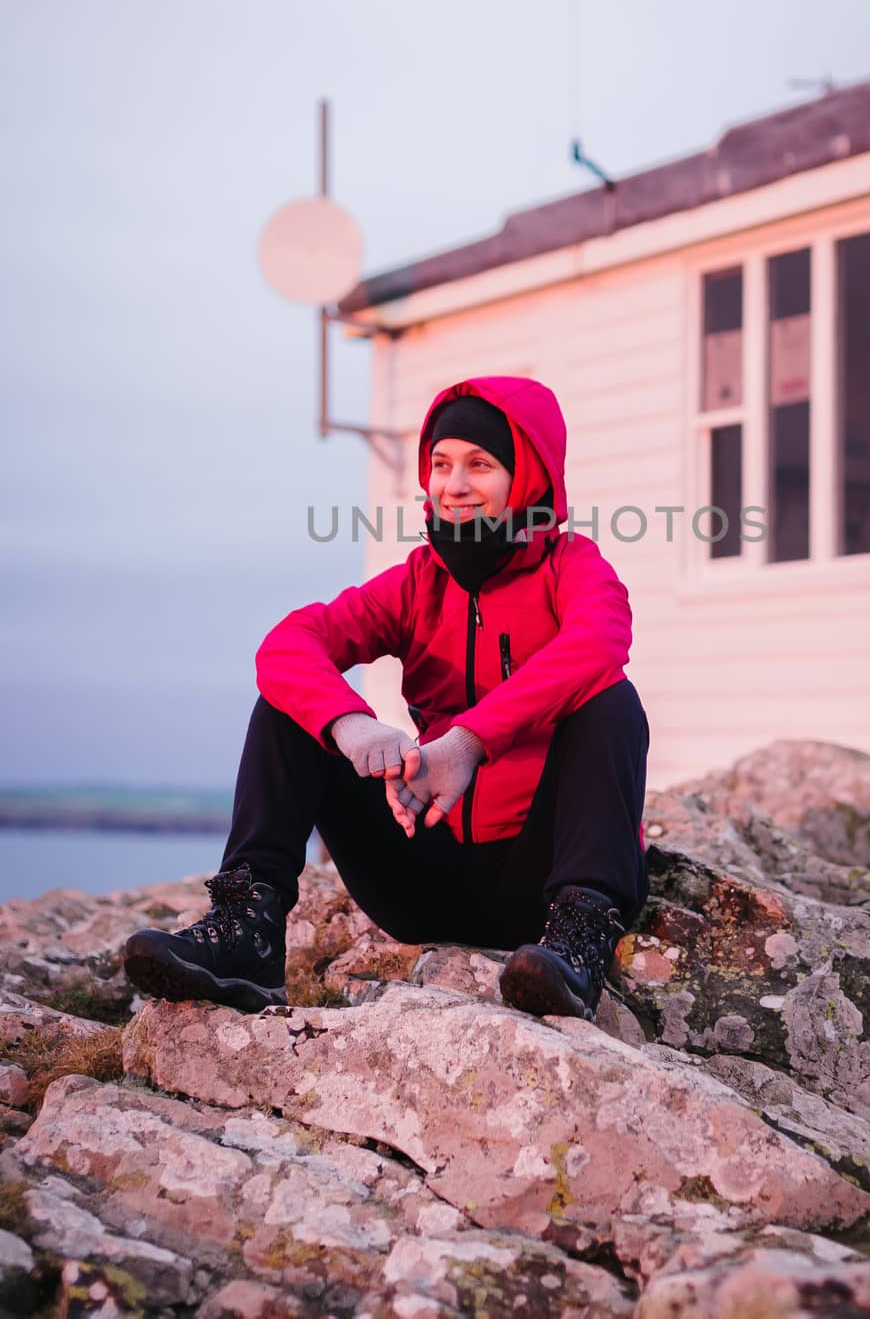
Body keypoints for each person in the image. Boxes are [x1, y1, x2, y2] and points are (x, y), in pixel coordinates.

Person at [123, 376, 650, 1021]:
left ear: (529, 480)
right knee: (292, 706)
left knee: (611, 702)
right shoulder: (414, 585)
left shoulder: (574, 568)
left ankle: (579, 940)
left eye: (480, 464)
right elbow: (290, 643)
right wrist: (350, 724)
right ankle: (246, 935)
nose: (453, 484)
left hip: (538, 886)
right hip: (423, 874)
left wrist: (466, 743)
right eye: (440, 464)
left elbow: (599, 643)